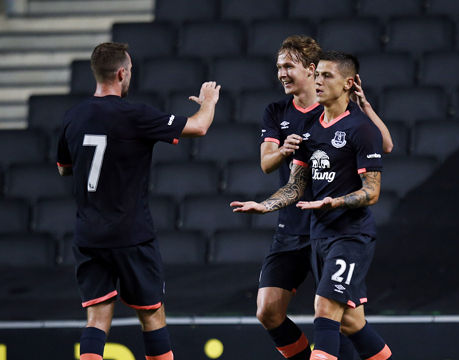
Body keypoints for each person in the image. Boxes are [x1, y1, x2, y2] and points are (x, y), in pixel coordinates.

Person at [56, 42, 221, 360]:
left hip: (89, 234)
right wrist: (209, 102)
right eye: (129, 71)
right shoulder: (135, 114)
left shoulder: (72, 117)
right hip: (131, 234)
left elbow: (64, 169)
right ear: (121, 73)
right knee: (151, 315)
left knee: (97, 317)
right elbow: (199, 127)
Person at [233, 51, 392, 360]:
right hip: (317, 234)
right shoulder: (309, 126)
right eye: (317, 75)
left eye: (326, 76)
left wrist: (336, 202)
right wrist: (265, 206)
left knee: (325, 309)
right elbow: (296, 185)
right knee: (350, 321)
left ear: (347, 84)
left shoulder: (361, 129)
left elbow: (371, 192)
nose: (318, 81)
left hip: (350, 236)